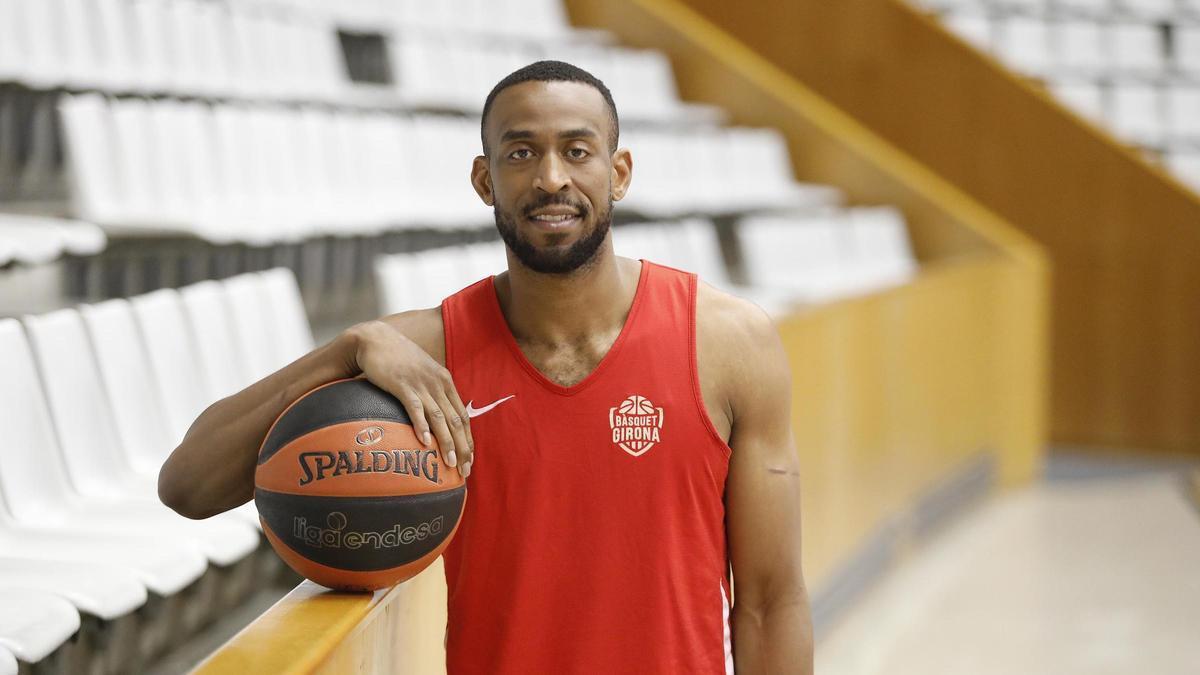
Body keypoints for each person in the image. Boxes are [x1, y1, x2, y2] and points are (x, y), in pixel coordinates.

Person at [159, 60, 812, 674]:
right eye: (521, 152)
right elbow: (188, 484)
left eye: (577, 151)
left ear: (619, 173)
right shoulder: (425, 353)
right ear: (484, 179)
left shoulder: (727, 343)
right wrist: (346, 347)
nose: (551, 177)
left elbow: (769, 599)